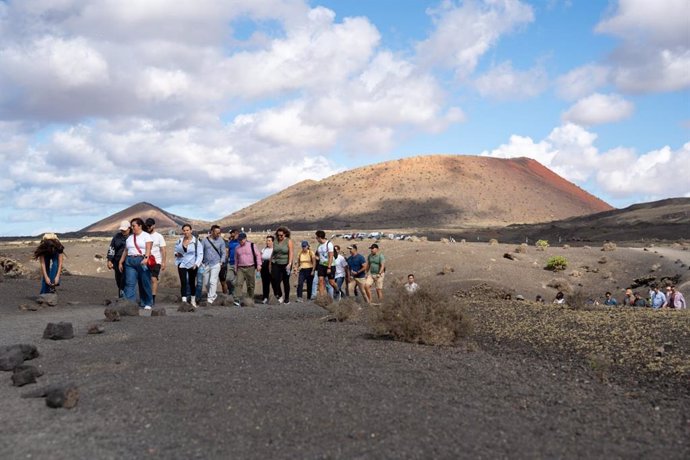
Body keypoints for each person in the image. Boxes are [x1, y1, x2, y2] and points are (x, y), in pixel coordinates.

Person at [118, 218, 153, 310]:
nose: (132, 228)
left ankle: (147, 302)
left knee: (144, 282)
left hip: (141, 260)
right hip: (129, 261)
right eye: (131, 226)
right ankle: (129, 304)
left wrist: (146, 258)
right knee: (129, 283)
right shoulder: (130, 237)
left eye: (134, 226)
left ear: (140, 226)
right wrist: (121, 261)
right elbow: (126, 250)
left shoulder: (146, 236)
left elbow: (148, 249)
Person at [174, 224, 203, 307]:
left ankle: (193, 301)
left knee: (191, 282)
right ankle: (184, 302)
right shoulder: (179, 241)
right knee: (183, 283)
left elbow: (200, 254)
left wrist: (196, 264)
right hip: (182, 263)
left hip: (192, 264)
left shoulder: (196, 242)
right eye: (184, 230)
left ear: (191, 231)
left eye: (187, 230)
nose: (186, 232)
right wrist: (176, 254)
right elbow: (175, 250)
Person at [199, 225, 226, 305]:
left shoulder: (221, 241)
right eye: (217, 233)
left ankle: (210, 299)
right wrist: (200, 262)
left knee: (212, 281)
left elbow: (223, 252)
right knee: (207, 283)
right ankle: (213, 295)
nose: (218, 234)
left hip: (216, 263)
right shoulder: (204, 240)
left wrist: (221, 262)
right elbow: (201, 251)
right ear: (212, 232)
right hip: (206, 264)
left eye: (219, 233)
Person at [233, 232, 262, 306]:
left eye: (242, 240)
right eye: (239, 240)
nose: (240, 241)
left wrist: (259, 265)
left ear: (245, 239)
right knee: (238, 283)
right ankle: (237, 299)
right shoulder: (237, 248)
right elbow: (236, 259)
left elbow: (258, 255)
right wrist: (235, 268)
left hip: (250, 267)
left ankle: (250, 299)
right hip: (240, 268)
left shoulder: (252, 245)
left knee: (250, 284)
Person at [145, 218, 166, 306]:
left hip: (156, 261)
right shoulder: (144, 235)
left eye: (150, 225)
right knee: (145, 280)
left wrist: (163, 262)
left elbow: (163, 250)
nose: (148, 227)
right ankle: (146, 297)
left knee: (153, 279)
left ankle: (152, 298)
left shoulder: (159, 236)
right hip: (145, 260)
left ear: (154, 225)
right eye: (147, 226)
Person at [107, 220, 130, 297]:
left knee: (126, 280)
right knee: (119, 281)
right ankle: (121, 297)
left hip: (128, 261)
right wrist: (109, 260)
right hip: (117, 262)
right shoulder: (117, 237)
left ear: (129, 228)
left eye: (124, 229)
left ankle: (126, 297)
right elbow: (112, 248)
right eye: (121, 230)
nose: (123, 231)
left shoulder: (133, 236)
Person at [270, 226, 294, 304]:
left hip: (286, 263)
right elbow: (273, 252)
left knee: (286, 281)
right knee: (275, 280)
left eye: (281, 235)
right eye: (278, 235)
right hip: (276, 262)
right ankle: (279, 295)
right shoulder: (275, 241)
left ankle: (287, 298)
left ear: (285, 234)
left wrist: (289, 263)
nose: (279, 237)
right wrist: (270, 263)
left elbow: (291, 252)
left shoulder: (288, 241)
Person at [315, 230, 337, 298]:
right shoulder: (319, 245)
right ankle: (322, 298)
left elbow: (331, 256)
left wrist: (329, 267)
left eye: (317, 237)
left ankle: (337, 290)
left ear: (320, 237)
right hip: (321, 265)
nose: (316, 239)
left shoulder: (329, 244)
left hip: (330, 265)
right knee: (320, 281)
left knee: (331, 282)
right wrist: (316, 257)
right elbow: (319, 255)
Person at [225, 229, 240, 298]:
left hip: (239, 264)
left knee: (236, 281)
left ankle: (235, 295)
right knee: (228, 279)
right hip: (230, 263)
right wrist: (226, 259)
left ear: (237, 234)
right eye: (231, 234)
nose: (231, 235)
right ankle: (231, 290)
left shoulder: (241, 242)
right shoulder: (230, 242)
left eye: (233, 234)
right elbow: (228, 251)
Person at [260, 235, 274, 304]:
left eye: (269, 241)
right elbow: (260, 257)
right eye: (267, 241)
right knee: (265, 283)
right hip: (264, 267)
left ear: (272, 242)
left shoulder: (274, 250)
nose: (267, 242)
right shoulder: (264, 249)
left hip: (271, 267)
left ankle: (276, 296)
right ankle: (265, 297)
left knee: (274, 282)